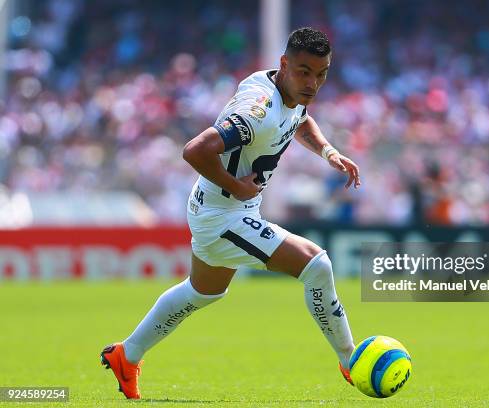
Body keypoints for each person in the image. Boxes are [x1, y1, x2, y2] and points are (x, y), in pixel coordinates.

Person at [100, 27, 361, 399]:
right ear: (284, 64)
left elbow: (300, 118)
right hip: (224, 214)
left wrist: (328, 152)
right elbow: (195, 150)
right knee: (317, 265)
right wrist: (236, 185)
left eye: (321, 74)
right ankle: (351, 359)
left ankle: (127, 354)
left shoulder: (281, 86)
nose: (313, 83)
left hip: (217, 206)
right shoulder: (257, 113)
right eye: (304, 72)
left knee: (203, 291)